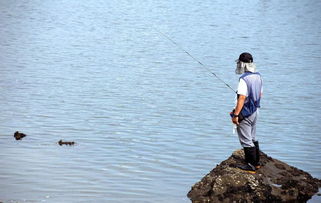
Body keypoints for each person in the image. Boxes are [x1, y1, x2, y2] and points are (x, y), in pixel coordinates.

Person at [230, 52, 263, 173]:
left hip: (246, 112)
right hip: (255, 111)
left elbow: (242, 98)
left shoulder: (243, 79)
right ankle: (257, 163)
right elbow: (260, 94)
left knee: (246, 139)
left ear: (242, 64)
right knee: (253, 137)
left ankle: (251, 165)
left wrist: (236, 114)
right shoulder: (259, 76)